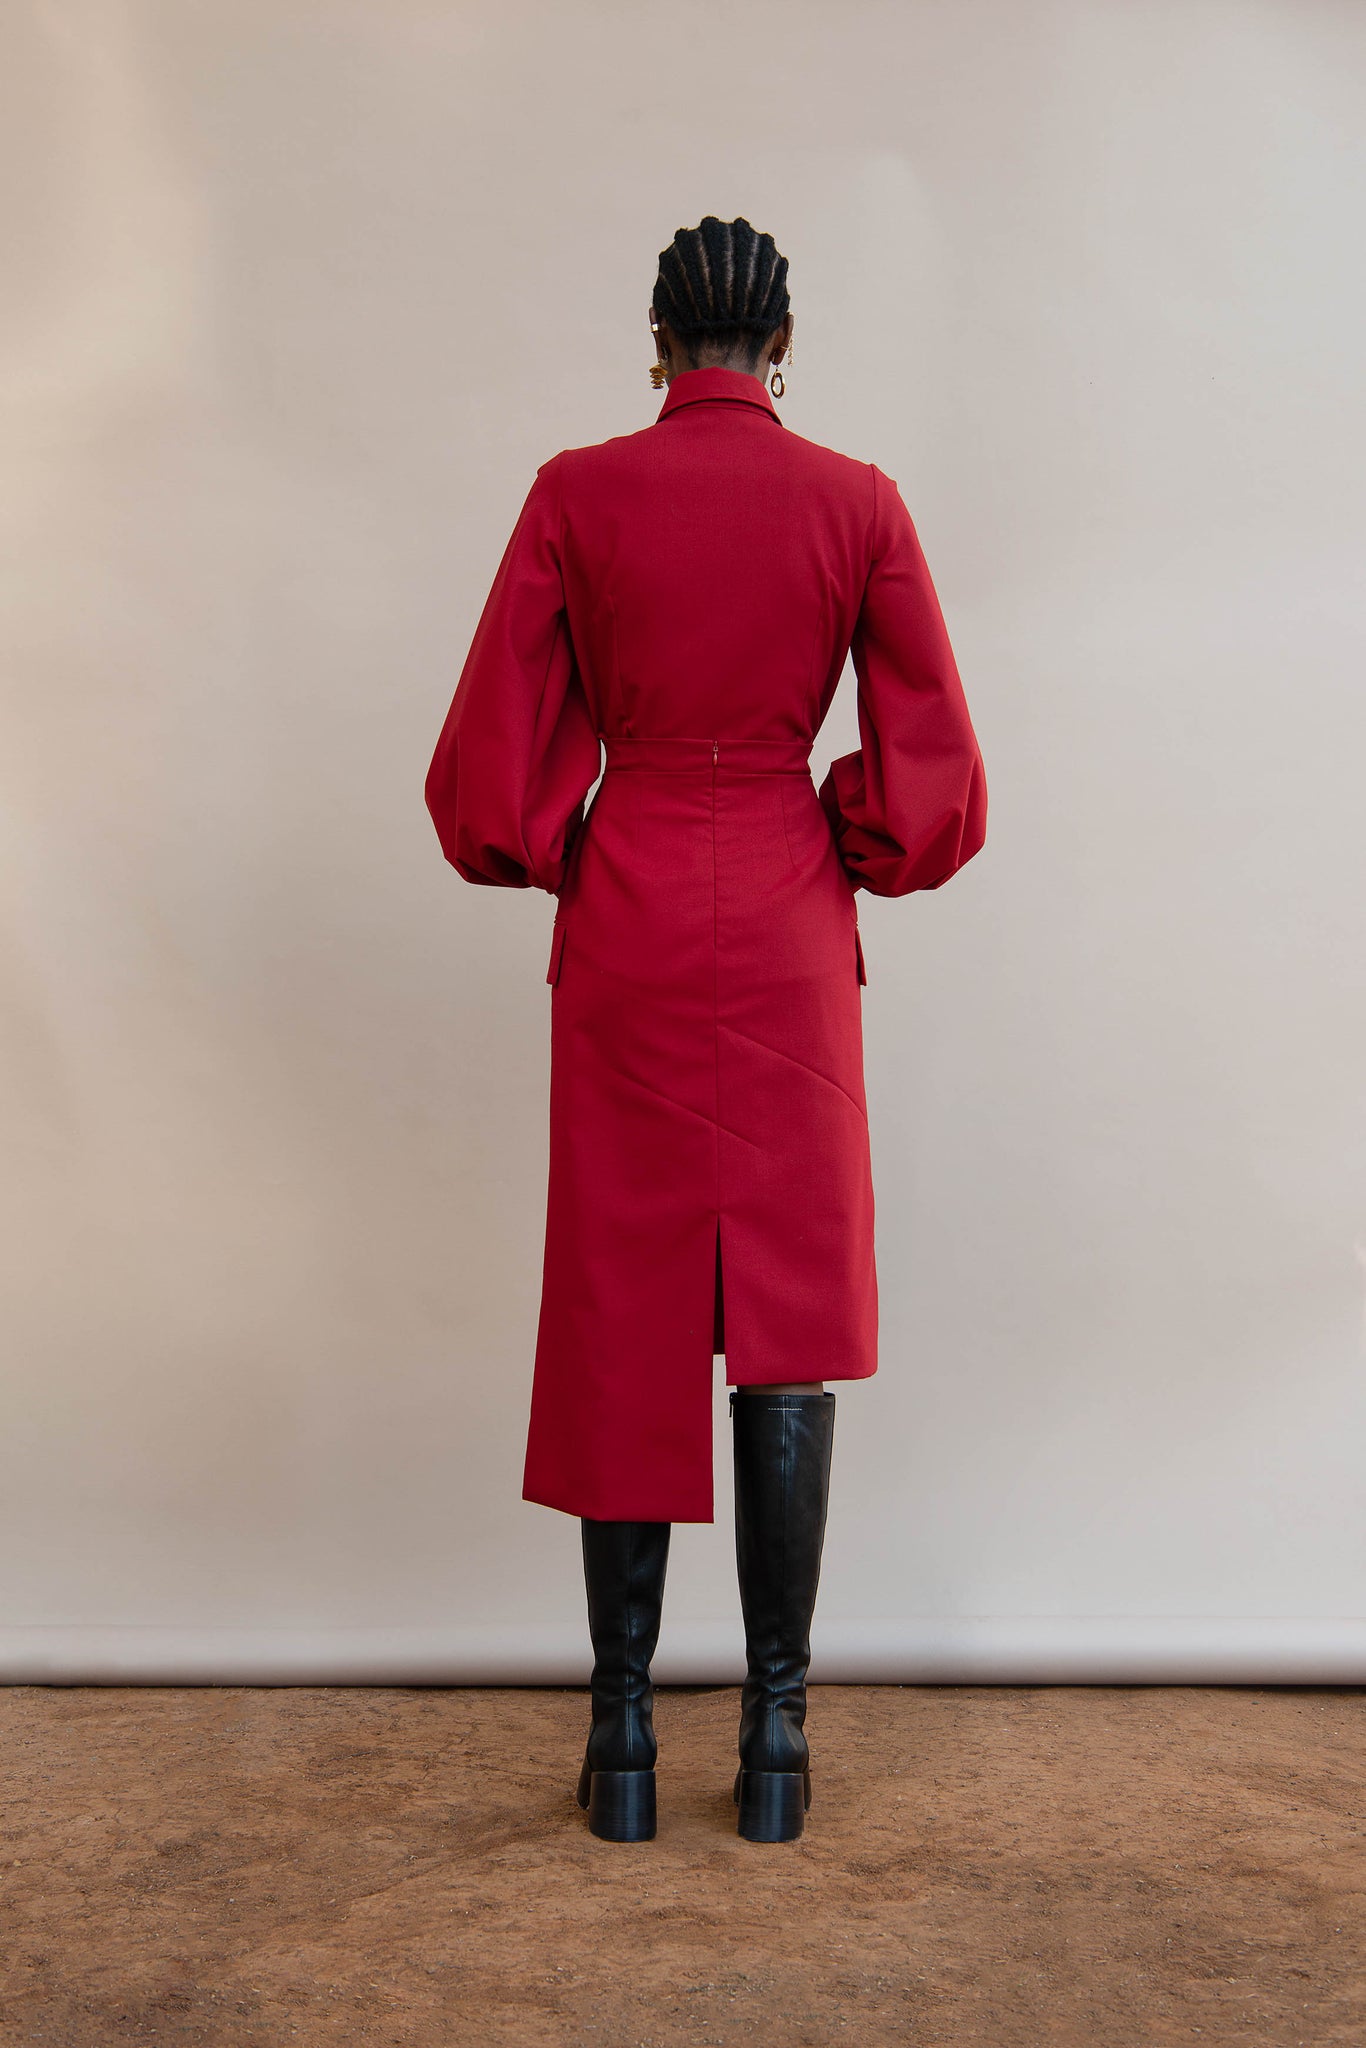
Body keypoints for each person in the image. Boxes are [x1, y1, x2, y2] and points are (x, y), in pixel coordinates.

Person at [425, 215, 987, 1845]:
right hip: (791, 912)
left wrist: (566, 839)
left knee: (625, 1297)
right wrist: (843, 825)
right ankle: (776, 1742)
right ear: (780, 347)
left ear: (659, 344)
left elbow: (487, 765)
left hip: (634, 909)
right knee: (786, 1313)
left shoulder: (576, 493)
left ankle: (619, 1742)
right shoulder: (856, 503)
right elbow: (933, 776)